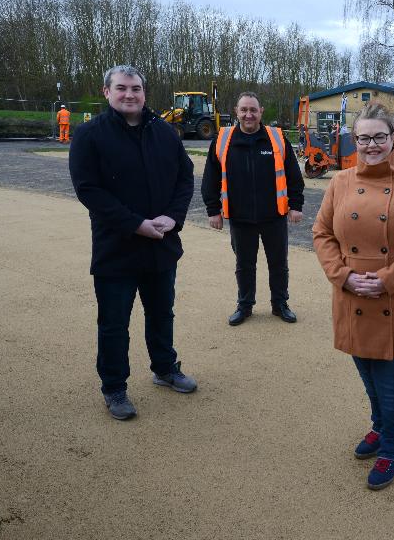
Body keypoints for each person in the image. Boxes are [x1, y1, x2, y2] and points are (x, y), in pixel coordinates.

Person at [312, 103, 394, 490]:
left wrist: (388, 279)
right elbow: (322, 234)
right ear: (356, 139)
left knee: (392, 381)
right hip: (352, 295)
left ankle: (392, 449)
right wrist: (343, 276)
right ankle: (379, 426)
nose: (371, 145)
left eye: (379, 137)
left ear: (393, 139)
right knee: (367, 374)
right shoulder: (340, 181)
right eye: (364, 137)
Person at [69, 65, 197, 421]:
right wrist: (135, 224)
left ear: (144, 93)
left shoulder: (164, 133)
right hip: (116, 249)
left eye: (136, 89)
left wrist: (173, 217)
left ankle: (165, 368)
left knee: (161, 313)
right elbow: (88, 190)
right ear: (107, 92)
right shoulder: (89, 135)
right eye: (122, 88)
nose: (130, 95)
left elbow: (185, 178)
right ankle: (114, 387)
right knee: (113, 323)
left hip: (161, 245)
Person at [202, 92, 305, 325]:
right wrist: (212, 210)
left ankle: (280, 304)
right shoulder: (222, 139)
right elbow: (210, 178)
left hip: (274, 216)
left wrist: (295, 205)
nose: (249, 115)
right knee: (244, 265)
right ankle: (245, 306)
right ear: (237, 112)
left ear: (261, 112)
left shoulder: (277, 139)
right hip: (240, 218)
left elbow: (293, 176)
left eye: (253, 110)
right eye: (244, 110)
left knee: (278, 264)